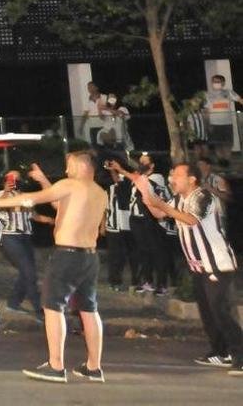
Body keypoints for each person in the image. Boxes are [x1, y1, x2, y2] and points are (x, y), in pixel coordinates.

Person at [0, 150, 108, 384]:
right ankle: (94, 368)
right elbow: (58, 204)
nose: (66, 170)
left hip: (68, 255)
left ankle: (56, 366)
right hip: (90, 257)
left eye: (69, 165)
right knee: (89, 309)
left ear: (80, 165)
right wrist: (44, 180)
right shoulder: (99, 192)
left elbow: (31, 199)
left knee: (53, 307)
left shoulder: (71, 185)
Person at [130, 162, 242, 375]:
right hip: (199, 267)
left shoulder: (204, 196)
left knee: (222, 312)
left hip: (217, 265)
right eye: (171, 174)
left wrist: (160, 204)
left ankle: (240, 355)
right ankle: (221, 351)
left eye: (177, 175)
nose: (172, 178)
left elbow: (191, 220)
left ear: (192, 179)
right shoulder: (179, 199)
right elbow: (159, 214)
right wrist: (144, 189)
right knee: (208, 313)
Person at [0, 169, 51, 320]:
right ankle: (38, 308)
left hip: (25, 237)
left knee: (26, 272)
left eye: (18, 178)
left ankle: (13, 303)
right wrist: (7, 192)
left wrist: (51, 219)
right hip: (11, 237)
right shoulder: (3, 194)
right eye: (13, 178)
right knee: (29, 273)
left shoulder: (25, 196)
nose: (16, 180)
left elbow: (34, 215)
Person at [128, 153, 172, 295]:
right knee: (143, 251)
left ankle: (162, 283)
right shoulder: (140, 178)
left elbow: (150, 191)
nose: (140, 163)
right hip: (137, 219)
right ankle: (147, 281)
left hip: (152, 219)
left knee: (158, 251)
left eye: (144, 162)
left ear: (152, 165)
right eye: (139, 161)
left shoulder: (156, 178)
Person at [104, 165, 138, 292]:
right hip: (113, 227)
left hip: (130, 226)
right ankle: (115, 281)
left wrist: (114, 169)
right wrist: (102, 226)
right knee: (115, 256)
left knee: (133, 255)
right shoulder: (110, 189)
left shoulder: (131, 186)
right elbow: (105, 209)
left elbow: (121, 184)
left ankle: (136, 280)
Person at [204, 75, 242, 162]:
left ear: (223, 83)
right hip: (214, 124)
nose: (215, 83)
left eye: (218, 81)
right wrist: (207, 123)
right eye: (214, 81)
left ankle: (227, 161)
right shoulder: (207, 94)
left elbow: (240, 100)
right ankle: (221, 162)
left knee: (228, 144)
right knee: (217, 144)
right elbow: (206, 110)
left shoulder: (228, 92)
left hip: (227, 123)